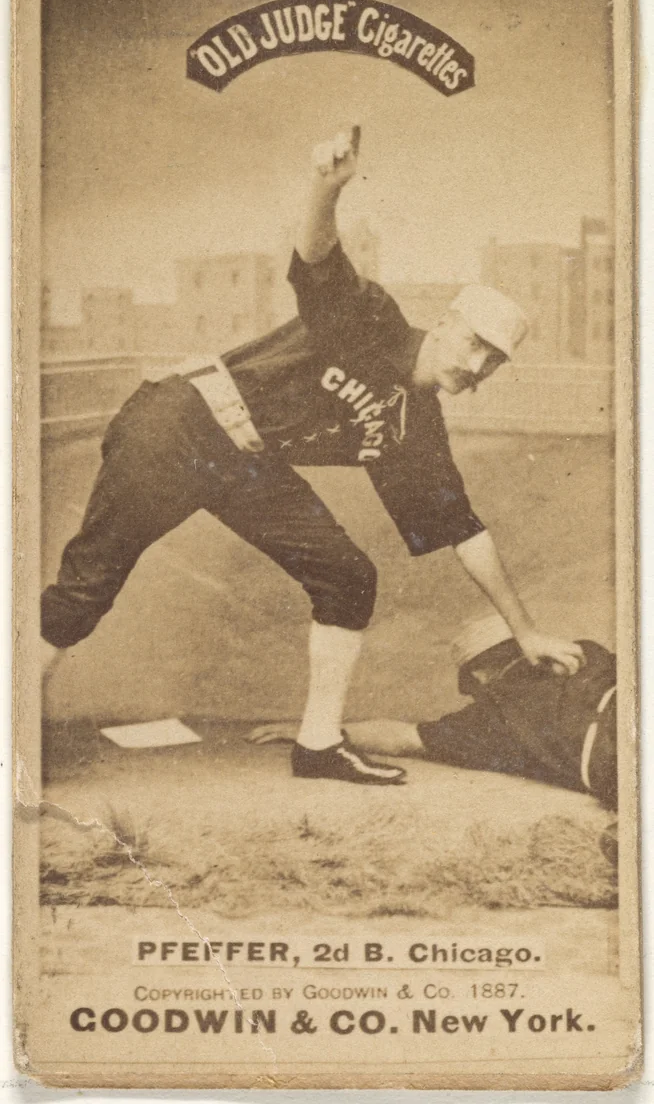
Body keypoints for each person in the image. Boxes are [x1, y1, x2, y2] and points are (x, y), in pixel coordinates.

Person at [41, 126, 584, 786]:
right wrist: (327, 186)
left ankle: (320, 746)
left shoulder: (416, 429)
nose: (475, 365)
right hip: (178, 421)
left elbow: (464, 533)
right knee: (87, 589)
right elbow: (318, 256)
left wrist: (524, 632)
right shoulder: (373, 322)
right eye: (471, 344)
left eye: (491, 361)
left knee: (347, 575)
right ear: (443, 324)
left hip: (243, 460)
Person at [248, 613, 617, 816]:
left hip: (610, 755)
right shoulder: (588, 652)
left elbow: (400, 737)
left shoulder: (488, 721)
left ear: (480, 675)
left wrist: (313, 729)